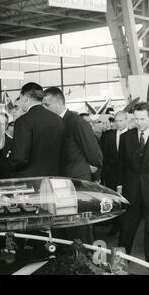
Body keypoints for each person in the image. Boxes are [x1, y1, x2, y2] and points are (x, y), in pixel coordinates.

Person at [43, 87, 103, 244]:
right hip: (59, 186)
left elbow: (95, 155)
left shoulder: (76, 122)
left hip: (77, 185)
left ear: (58, 103)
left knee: (80, 229)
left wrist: (93, 174)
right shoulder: (53, 124)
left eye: (46, 104)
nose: (44, 108)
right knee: (65, 229)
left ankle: (85, 263)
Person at [117, 102, 149, 266]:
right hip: (130, 191)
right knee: (126, 230)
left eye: (142, 119)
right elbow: (121, 166)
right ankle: (117, 264)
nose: (139, 122)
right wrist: (119, 187)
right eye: (136, 119)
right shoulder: (126, 137)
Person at [5, 83, 65, 177]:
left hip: (31, 181)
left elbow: (19, 158)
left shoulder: (23, 121)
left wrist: (6, 163)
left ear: (25, 98)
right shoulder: (58, 120)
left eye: (20, 99)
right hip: (55, 177)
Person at [100, 111, 129, 235]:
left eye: (121, 120)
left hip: (127, 175)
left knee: (126, 201)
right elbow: (104, 156)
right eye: (116, 121)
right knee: (114, 201)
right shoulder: (108, 136)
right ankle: (116, 225)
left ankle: (126, 227)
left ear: (127, 120)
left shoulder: (132, 135)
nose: (118, 123)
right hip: (111, 174)